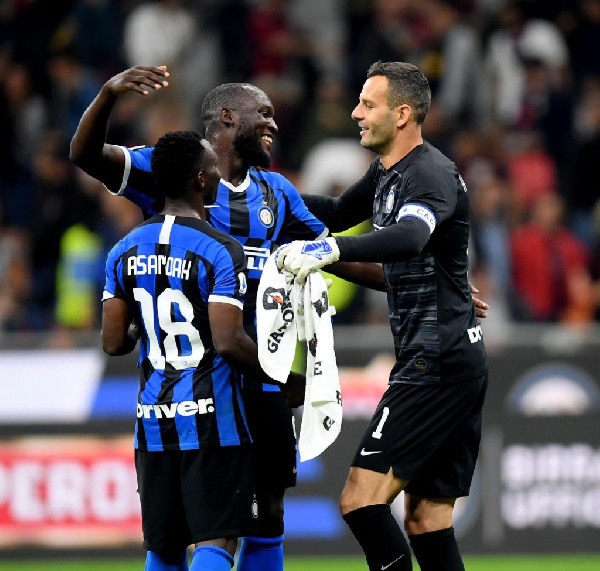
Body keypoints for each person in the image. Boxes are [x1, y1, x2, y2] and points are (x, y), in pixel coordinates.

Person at [71, 65, 488, 571]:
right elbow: (86, 155)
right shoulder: (173, 172)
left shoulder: (276, 192)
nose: (272, 124)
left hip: (260, 373)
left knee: (267, 515)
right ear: (227, 118)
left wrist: (430, 281)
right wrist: (109, 94)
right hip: (204, 377)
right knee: (199, 533)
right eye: (262, 115)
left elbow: (331, 252)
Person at [276, 61, 489, 571]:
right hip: (450, 357)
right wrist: (261, 199)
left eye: (367, 105)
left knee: (360, 499)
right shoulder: (387, 174)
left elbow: (412, 237)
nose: (355, 113)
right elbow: (330, 213)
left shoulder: (430, 174)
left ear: (402, 113)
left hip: (435, 362)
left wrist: (332, 251)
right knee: (425, 520)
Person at [102, 130, 302, 571]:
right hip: (213, 420)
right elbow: (229, 341)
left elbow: (114, 342)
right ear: (199, 180)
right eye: (212, 168)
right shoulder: (220, 249)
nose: (217, 174)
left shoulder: (122, 251)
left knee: (165, 547)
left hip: (152, 421)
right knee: (217, 541)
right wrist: (285, 378)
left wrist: (143, 323)